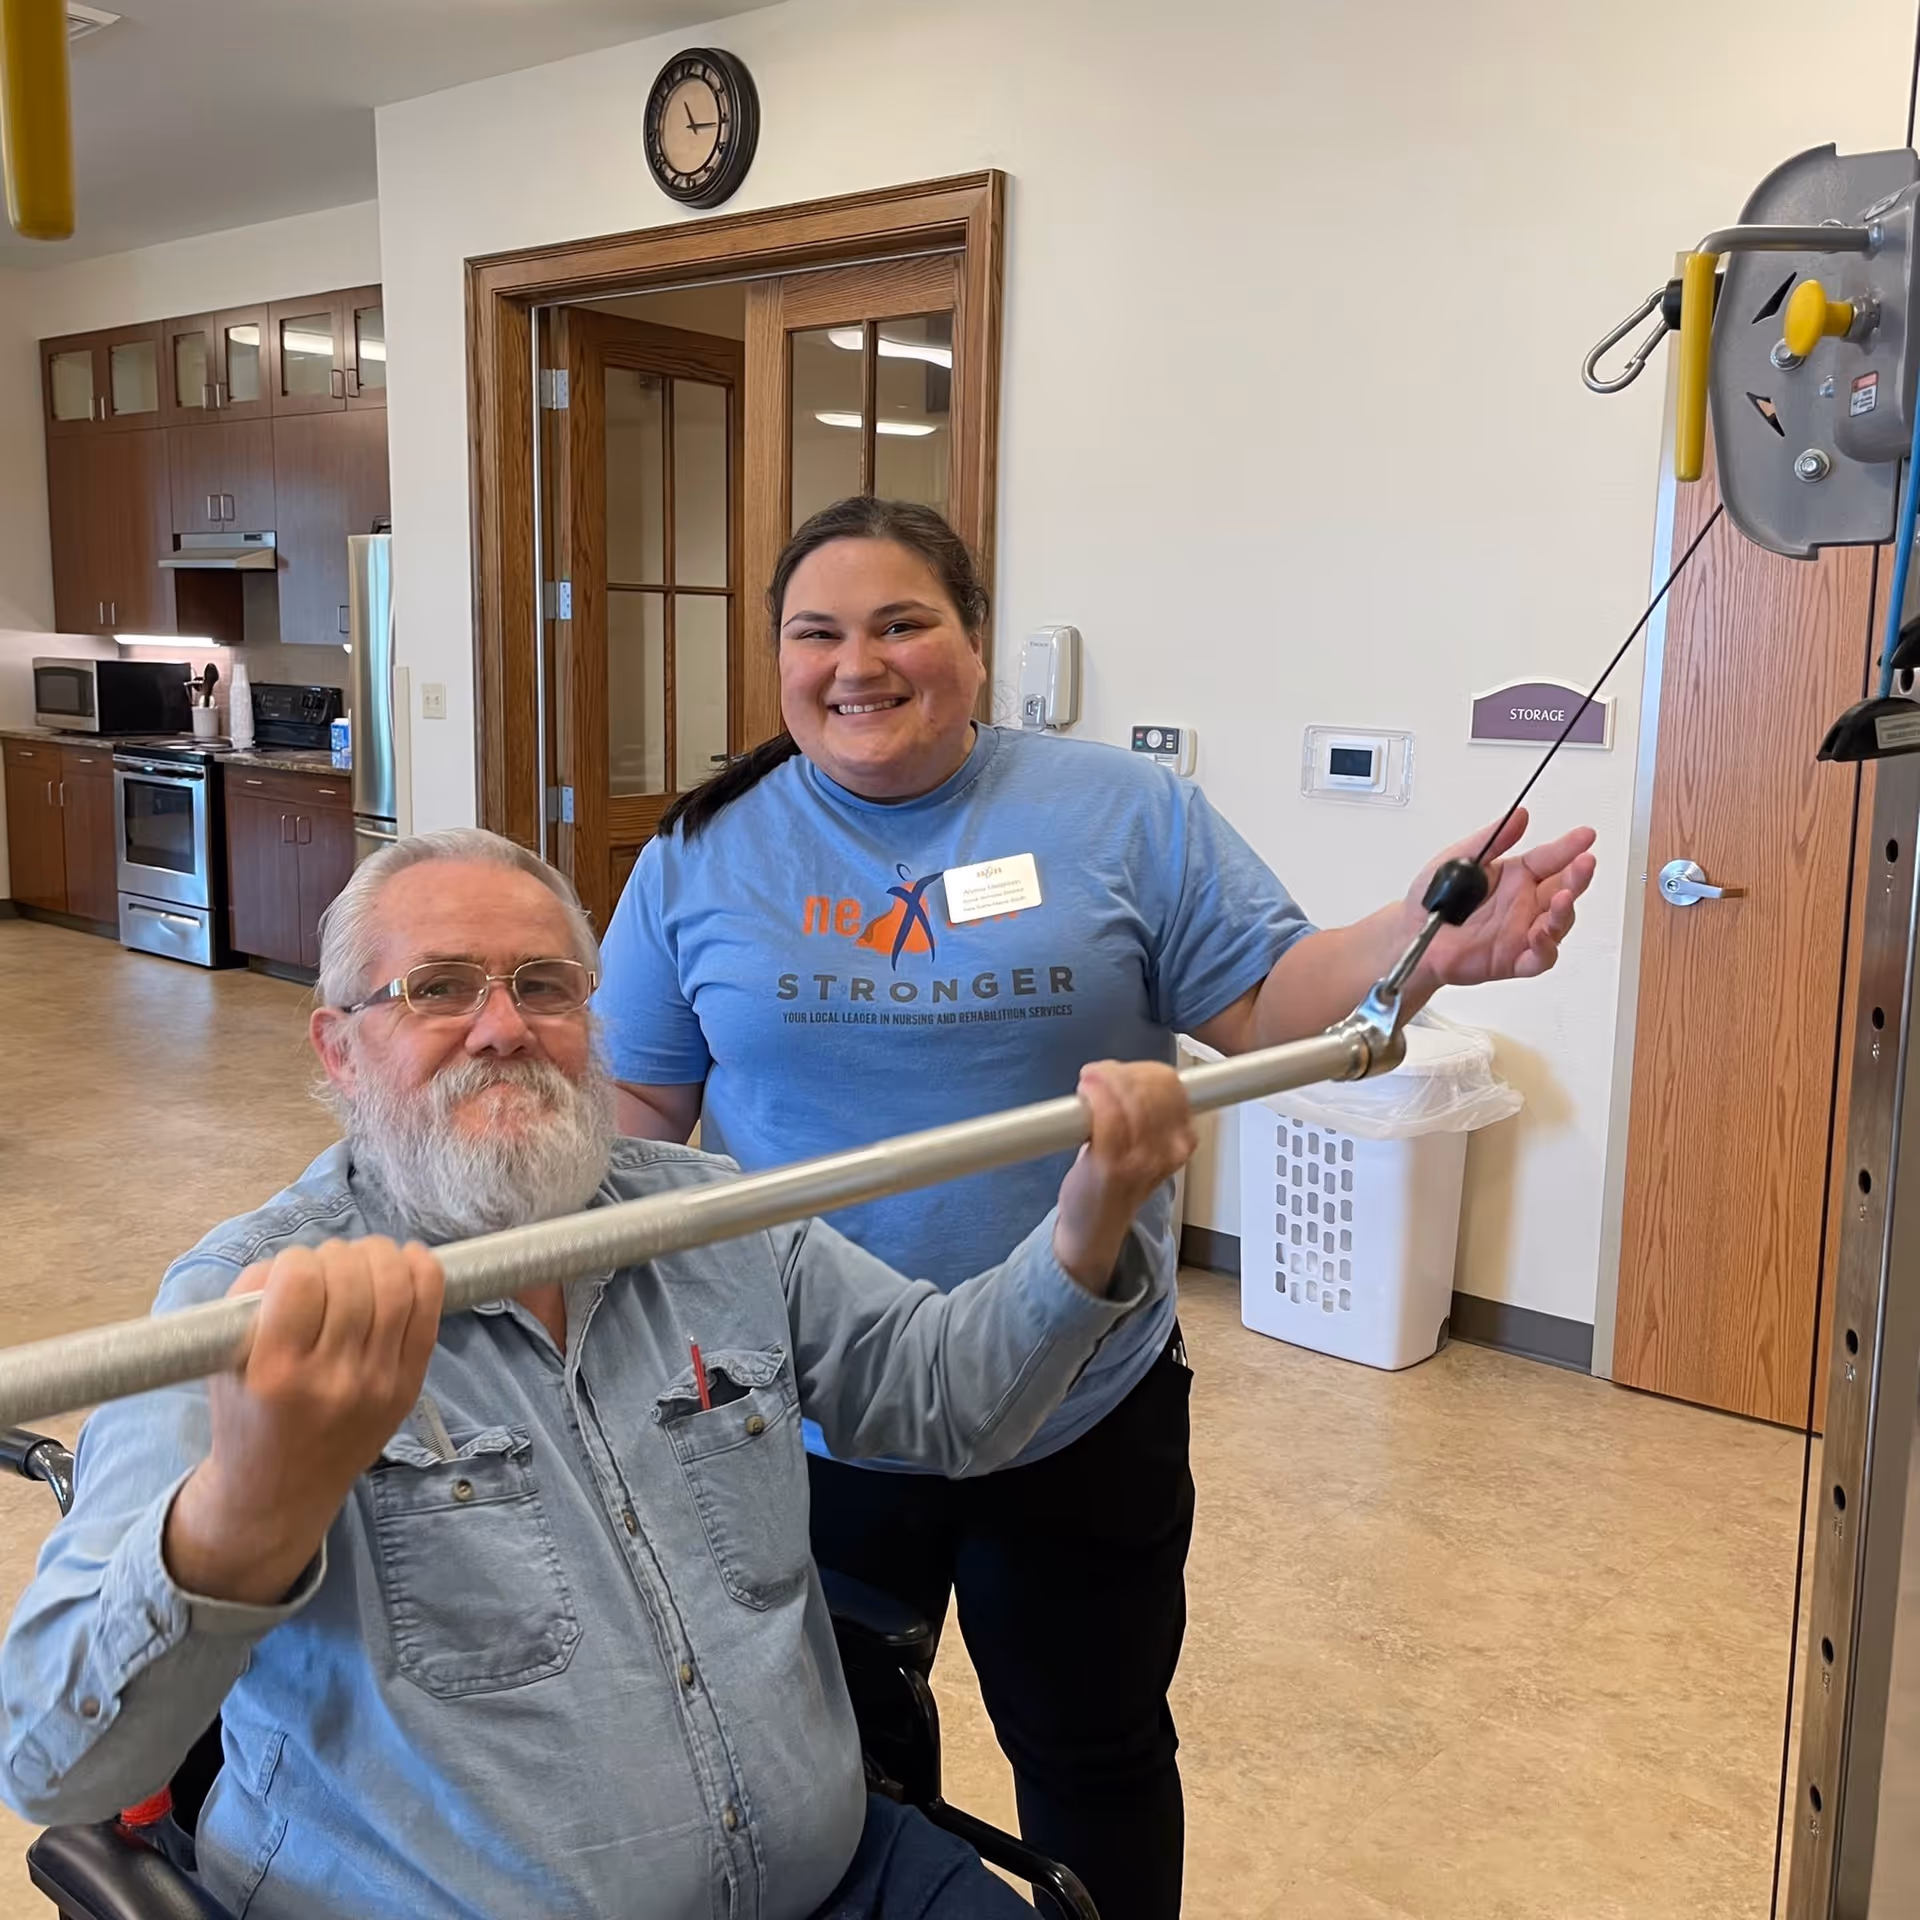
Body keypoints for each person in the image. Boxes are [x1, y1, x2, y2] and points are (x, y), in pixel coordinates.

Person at [597, 497, 1598, 1919]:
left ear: (975, 641)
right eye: (815, 634)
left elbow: (1264, 1005)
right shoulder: (702, 852)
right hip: (796, 1406)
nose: (856, 664)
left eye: (902, 624)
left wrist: (1428, 949)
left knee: (1094, 1750)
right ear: (775, 658)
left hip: (1078, 1395)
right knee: (816, 1765)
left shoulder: (1120, 813)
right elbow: (638, 1124)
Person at [0, 827, 1198, 1920]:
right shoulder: (244, 1307)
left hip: (846, 1884)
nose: (504, 1027)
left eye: (543, 986)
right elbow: (57, 1760)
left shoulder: (715, 1215)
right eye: (438, 988)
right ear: (338, 1046)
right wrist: (249, 1506)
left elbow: (949, 1401)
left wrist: (1091, 1224)